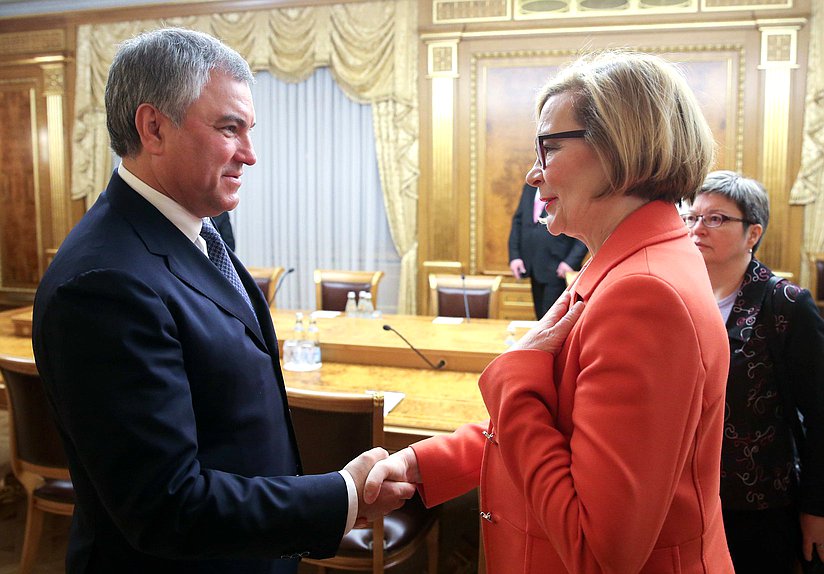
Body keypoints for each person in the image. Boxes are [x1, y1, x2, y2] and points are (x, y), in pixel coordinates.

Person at [31, 28, 413, 574]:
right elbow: (165, 506)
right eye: (229, 128)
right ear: (154, 127)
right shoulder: (103, 284)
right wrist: (341, 497)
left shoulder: (204, 223)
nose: (251, 155)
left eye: (248, 130)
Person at [364, 50, 735, 572]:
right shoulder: (622, 261)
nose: (532, 175)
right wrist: (421, 461)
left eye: (549, 148)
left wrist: (513, 380)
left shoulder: (645, 292)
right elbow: (559, 433)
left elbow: (596, 549)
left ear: (618, 148)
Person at [684, 170, 824, 573]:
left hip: (759, 502)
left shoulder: (787, 305)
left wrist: (816, 508)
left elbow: (819, 414)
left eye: (716, 219)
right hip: (686, 497)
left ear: (752, 233)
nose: (698, 228)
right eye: (692, 217)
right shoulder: (678, 295)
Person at [509, 182, 588, 318]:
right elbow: (518, 221)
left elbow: (584, 226)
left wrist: (570, 262)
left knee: (553, 321)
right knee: (540, 319)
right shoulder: (530, 187)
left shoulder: (567, 186)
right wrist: (515, 256)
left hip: (558, 270)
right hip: (532, 266)